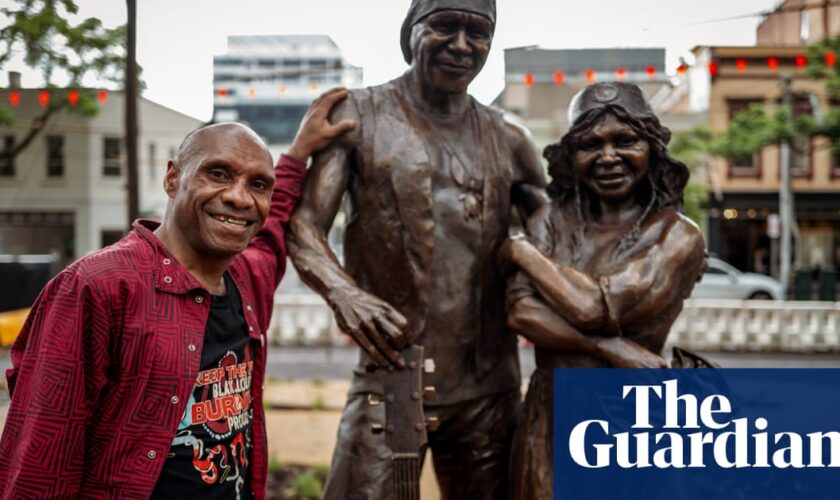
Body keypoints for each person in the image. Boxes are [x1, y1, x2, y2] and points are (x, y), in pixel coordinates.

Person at [0, 88, 355, 499]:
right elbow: (39, 461)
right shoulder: (98, 287)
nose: (240, 197)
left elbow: (273, 231)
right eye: (218, 173)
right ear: (173, 178)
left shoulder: (247, 278)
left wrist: (297, 153)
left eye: (258, 184)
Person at [287, 0, 547, 497]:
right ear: (411, 32)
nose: (462, 45)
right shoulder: (356, 115)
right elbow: (304, 225)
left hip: (488, 384)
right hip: (393, 374)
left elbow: (556, 233)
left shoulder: (510, 136)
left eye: (478, 32)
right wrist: (346, 295)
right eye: (445, 26)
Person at [501, 82, 707, 500]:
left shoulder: (676, 236)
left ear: (651, 149)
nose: (608, 157)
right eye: (590, 144)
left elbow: (593, 306)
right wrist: (613, 350)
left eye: (625, 141)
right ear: (571, 157)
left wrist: (521, 251)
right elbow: (521, 313)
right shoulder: (550, 221)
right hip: (551, 412)